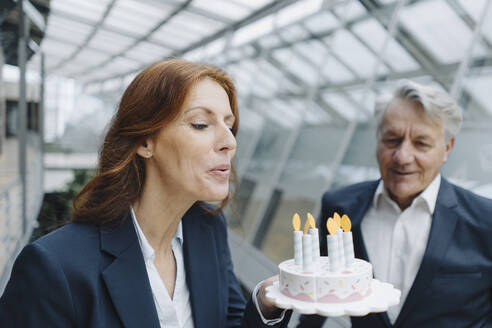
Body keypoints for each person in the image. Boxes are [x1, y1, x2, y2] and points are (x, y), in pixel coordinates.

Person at [0, 59, 291, 327]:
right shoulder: (55, 268)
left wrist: (265, 302)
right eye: (201, 124)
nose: (229, 142)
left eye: (229, 126)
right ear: (145, 141)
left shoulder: (207, 229)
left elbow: (229, 321)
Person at [298, 80, 492, 327]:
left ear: (447, 149)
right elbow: (320, 298)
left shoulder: (486, 221)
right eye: (392, 139)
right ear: (378, 139)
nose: (402, 157)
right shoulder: (340, 208)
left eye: (421, 143)